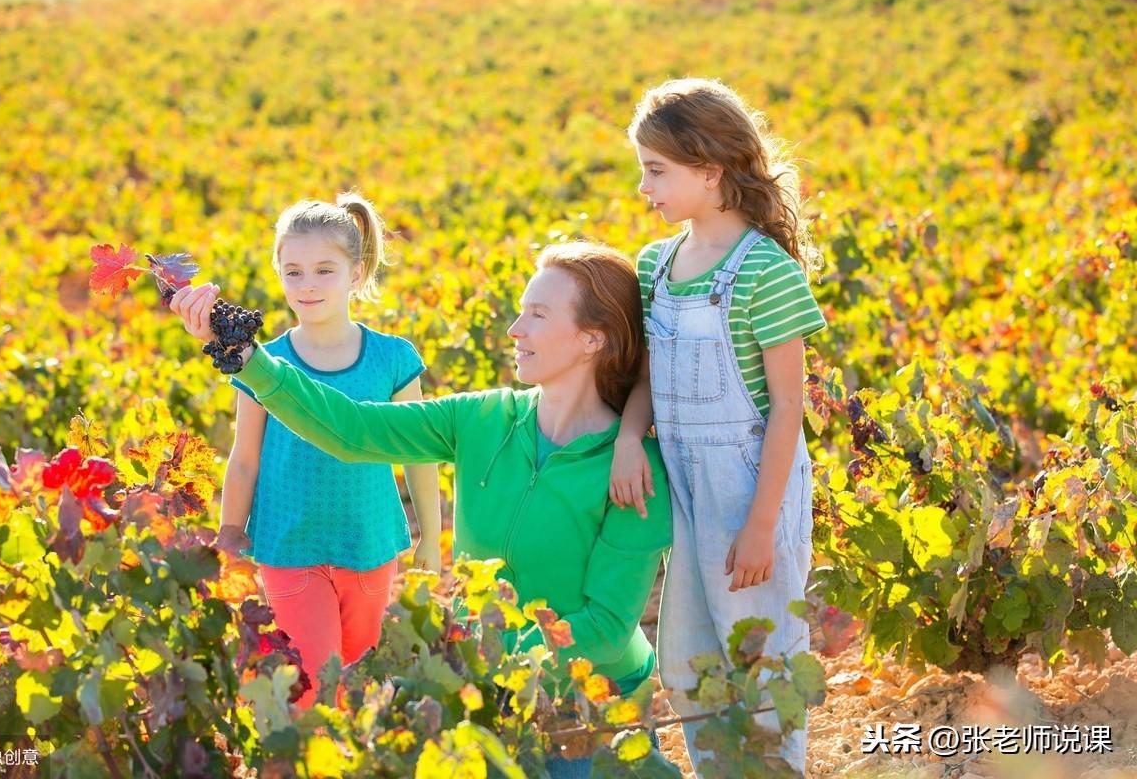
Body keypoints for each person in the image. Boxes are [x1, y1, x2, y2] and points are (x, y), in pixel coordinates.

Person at [172, 241, 673, 776]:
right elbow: (354, 430)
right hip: (483, 684)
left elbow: (605, 630)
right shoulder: (484, 418)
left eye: (538, 314)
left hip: (591, 698)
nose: (514, 330)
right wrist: (248, 359)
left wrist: (469, 655)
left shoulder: (633, 473)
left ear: (592, 338)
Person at [609, 77, 827, 773]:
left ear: (710, 169)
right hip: (685, 489)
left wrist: (762, 523)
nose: (644, 186)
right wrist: (625, 438)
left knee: (762, 659)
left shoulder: (765, 270)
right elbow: (648, 377)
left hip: (749, 489)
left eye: (656, 170)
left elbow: (789, 408)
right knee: (691, 661)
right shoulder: (655, 264)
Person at [217, 194, 441, 706]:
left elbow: (419, 453)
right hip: (288, 545)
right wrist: (230, 532)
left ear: (356, 273)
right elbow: (245, 457)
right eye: (293, 272)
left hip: (370, 544)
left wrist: (430, 533)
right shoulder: (261, 363)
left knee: (360, 690)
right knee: (314, 687)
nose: (308, 285)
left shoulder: (393, 358)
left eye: (324, 270)